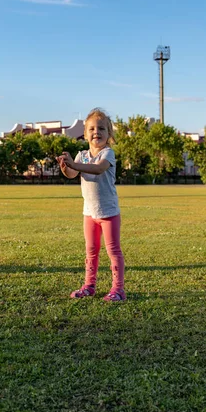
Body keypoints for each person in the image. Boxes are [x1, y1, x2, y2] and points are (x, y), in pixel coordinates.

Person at [56, 108, 126, 302]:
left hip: (109, 213)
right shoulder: (82, 155)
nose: (97, 132)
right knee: (91, 251)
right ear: (85, 134)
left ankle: (118, 289)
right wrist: (66, 167)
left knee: (113, 250)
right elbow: (72, 174)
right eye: (92, 128)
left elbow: (97, 169)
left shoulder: (107, 154)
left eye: (102, 128)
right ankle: (89, 285)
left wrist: (74, 165)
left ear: (109, 134)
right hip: (89, 213)